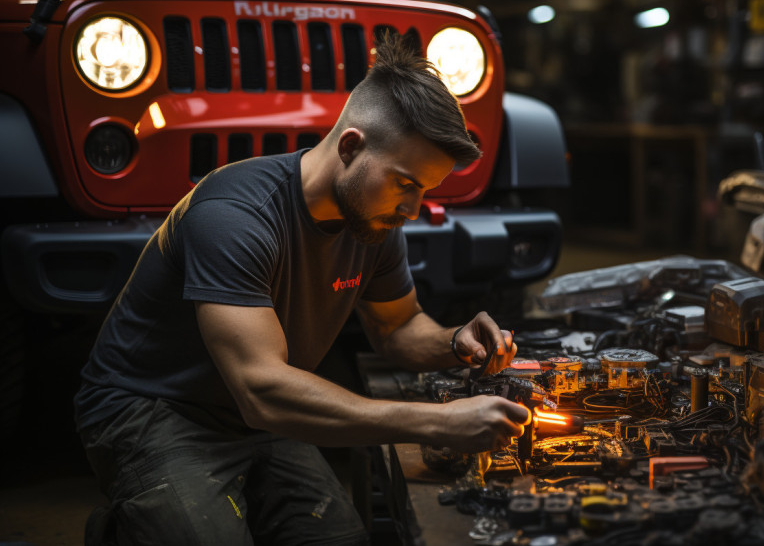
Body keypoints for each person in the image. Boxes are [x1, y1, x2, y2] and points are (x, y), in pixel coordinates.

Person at [73, 34, 530, 545]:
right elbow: (262, 389)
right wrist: (435, 422)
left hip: (256, 413)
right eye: (405, 183)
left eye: (425, 189)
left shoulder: (372, 222)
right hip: (154, 409)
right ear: (351, 146)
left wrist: (453, 341)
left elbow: (398, 327)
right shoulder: (235, 215)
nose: (412, 208)